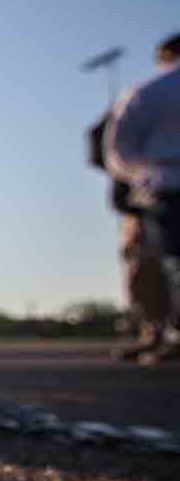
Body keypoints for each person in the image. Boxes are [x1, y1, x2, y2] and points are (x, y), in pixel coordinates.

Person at [103, 32, 180, 362]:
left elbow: (118, 148)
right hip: (162, 182)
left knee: (168, 261)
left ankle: (166, 331)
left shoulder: (148, 91)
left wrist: (140, 177)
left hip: (165, 183)